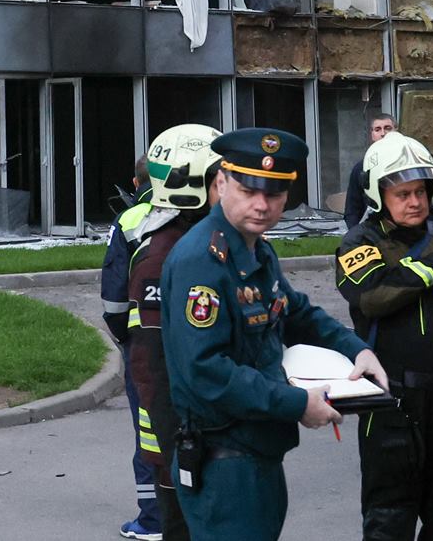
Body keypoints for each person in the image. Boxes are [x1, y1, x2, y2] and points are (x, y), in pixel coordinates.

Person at [160, 128, 387, 539]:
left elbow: (295, 311)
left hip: (255, 453)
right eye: (248, 191)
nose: (262, 205)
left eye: (275, 194)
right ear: (221, 184)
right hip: (224, 462)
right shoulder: (203, 260)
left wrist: (357, 350)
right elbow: (206, 370)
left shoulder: (254, 248)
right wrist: (297, 403)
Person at [336, 133, 433, 541]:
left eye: (420, 192)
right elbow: (375, 296)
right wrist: (432, 263)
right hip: (392, 400)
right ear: (379, 195)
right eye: (402, 194)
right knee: (390, 511)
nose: (414, 202)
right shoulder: (360, 241)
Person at [126, 124, 222, 541]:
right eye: (223, 180)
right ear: (191, 189)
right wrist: (177, 444)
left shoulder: (213, 243)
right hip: (183, 436)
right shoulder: (160, 261)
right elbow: (151, 365)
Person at [101, 156, 158, 540]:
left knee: (149, 430)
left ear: (134, 182)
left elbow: (114, 297)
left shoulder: (131, 220)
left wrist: (123, 336)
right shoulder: (209, 214)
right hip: (198, 337)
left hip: (143, 344)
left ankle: (152, 519)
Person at [341, 116, 397, 231]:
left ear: (396, 131)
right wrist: (355, 234)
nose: (383, 133)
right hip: (372, 230)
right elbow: (352, 209)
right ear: (372, 135)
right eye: (377, 129)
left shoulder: (409, 162)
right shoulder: (361, 168)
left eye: (387, 128)